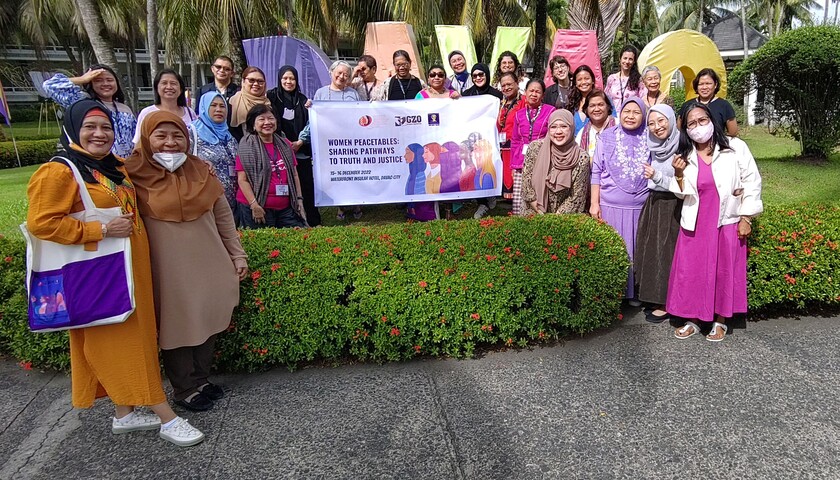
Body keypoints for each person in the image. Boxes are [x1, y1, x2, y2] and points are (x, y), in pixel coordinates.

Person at [26, 99, 204, 447]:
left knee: (130, 338)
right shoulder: (61, 171)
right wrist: (99, 231)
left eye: (105, 127)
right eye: (90, 127)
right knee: (124, 342)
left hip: (126, 272)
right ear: (73, 129)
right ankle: (165, 415)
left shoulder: (110, 167)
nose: (99, 134)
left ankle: (124, 412)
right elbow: (41, 222)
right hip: (98, 276)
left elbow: (146, 165)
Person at [125, 111, 248, 412]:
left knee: (209, 316)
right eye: (161, 136)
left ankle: (201, 378)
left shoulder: (202, 171)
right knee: (177, 325)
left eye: (177, 136)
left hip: (209, 260)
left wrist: (237, 254)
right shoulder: (130, 175)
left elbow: (223, 218)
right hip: (166, 270)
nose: (170, 143)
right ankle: (184, 389)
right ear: (146, 138)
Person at [669, 103, 762, 341]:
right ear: (686, 130)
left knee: (723, 271)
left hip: (727, 221)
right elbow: (682, 194)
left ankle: (720, 320)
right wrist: (678, 174)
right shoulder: (685, 156)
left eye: (702, 120)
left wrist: (746, 217)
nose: (698, 127)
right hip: (696, 223)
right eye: (691, 123)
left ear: (711, 120)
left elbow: (752, 181)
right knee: (693, 271)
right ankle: (693, 318)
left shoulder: (735, 148)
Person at [590, 97, 650, 303]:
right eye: (626, 111)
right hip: (610, 206)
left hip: (641, 207)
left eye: (636, 112)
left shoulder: (650, 138)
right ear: (619, 113)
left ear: (644, 116)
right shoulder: (606, 137)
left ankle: (635, 293)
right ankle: (614, 293)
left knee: (637, 250)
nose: (630, 116)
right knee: (615, 250)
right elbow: (596, 170)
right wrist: (594, 203)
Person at [635, 104, 682, 323]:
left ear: (671, 120)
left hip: (672, 204)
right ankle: (655, 297)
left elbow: (684, 184)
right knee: (652, 250)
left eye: (661, 121)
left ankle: (666, 302)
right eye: (652, 123)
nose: (656, 127)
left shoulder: (682, 145)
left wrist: (656, 177)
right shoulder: (654, 145)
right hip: (654, 202)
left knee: (667, 251)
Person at [234, 104, 307, 229]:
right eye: (261, 119)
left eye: (271, 118)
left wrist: (299, 200)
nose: (267, 122)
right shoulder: (246, 147)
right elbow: (242, 180)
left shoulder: (285, 144)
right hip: (257, 207)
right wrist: (254, 205)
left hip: (286, 208)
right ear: (253, 124)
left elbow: (294, 174)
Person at [43, 64, 137, 158]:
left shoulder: (125, 109)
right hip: (96, 162)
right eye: (98, 80)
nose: (105, 84)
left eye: (109, 80)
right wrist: (82, 79)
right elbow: (49, 85)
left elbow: (135, 138)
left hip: (124, 165)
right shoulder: (82, 102)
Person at [268, 65, 320, 226]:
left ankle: (311, 219)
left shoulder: (303, 100)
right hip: (278, 150)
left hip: (300, 150)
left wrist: (300, 142)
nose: (289, 81)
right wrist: (285, 143)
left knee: (305, 186)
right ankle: (289, 220)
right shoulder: (272, 97)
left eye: (292, 78)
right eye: (285, 78)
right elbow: (270, 121)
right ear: (279, 79)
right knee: (283, 186)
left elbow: (311, 122)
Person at [314, 61, 362, 220]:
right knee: (336, 175)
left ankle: (356, 203)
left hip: (350, 141)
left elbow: (359, 114)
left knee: (353, 174)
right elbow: (314, 117)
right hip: (329, 142)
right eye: (339, 73)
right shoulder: (320, 93)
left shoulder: (352, 94)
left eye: (346, 75)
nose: (342, 77)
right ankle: (340, 206)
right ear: (331, 72)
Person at [521, 109, 590, 215]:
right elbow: (527, 184)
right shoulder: (535, 148)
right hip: (533, 212)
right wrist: (540, 212)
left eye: (564, 126)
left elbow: (576, 197)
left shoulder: (581, 158)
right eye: (553, 127)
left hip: (564, 219)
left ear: (571, 128)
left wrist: (554, 221)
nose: (558, 132)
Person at [510, 80, 556, 215]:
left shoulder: (550, 111)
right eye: (531, 91)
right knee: (519, 198)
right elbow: (515, 140)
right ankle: (520, 223)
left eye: (538, 91)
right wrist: (513, 166)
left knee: (538, 195)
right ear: (525, 93)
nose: (534, 94)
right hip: (521, 160)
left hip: (541, 159)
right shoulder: (519, 114)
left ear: (542, 95)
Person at [188, 92, 238, 213]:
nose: (218, 109)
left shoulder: (228, 134)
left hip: (232, 202)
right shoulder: (192, 131)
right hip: (206, 200)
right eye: (213, 105)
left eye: (222, 106)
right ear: (204, 107)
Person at [463, 64, 502, 218]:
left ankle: (491, 194)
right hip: (474, 138)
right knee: (477, 167)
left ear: (486, 75)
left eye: (481, 74)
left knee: (490, 165)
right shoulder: (466, 94)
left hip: (491, 136)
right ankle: (482, 202)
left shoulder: (496, 95)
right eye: (475, 75)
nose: (478, 78)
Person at [133, 69, 196, 145]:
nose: (169, 87)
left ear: (181, 89)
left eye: (173, 83)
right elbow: (139, 143)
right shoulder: (147, 113)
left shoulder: (189, 112)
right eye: (164, 83)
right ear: (157, 88)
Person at [677, 68, 738, 137]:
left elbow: (733, 132)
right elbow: (679, 129)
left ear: (715, 85)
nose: (704, 87)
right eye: (701, 84)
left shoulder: (724, 105)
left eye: (708, 83)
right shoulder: (687, 105)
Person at [497, 72, 527, 204]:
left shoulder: (524, 101)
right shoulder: (501, 103)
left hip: (517, 148)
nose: (506, 87)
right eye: (503, 85)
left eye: (509, 84)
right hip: (503, 148)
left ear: (517, 83)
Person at [228, 66, 272, 142]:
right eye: (251, 80)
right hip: (242, 148)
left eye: (260, 81)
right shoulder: (233, 103)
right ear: (243, 81)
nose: (256, 84)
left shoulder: (269, 104)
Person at [575, 89, 616, 160]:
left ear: (608, 106)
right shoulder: (581, 135)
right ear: (586, 110)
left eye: (600, 105)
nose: (596, 109)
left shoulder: (618, 127)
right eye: (592, 106)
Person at [566, 65, 597, 136]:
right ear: (575, 83)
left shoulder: (602, 99)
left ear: (592, 81)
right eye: (579, 80)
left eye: (586, 78)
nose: (583, 82)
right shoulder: (571, 101)